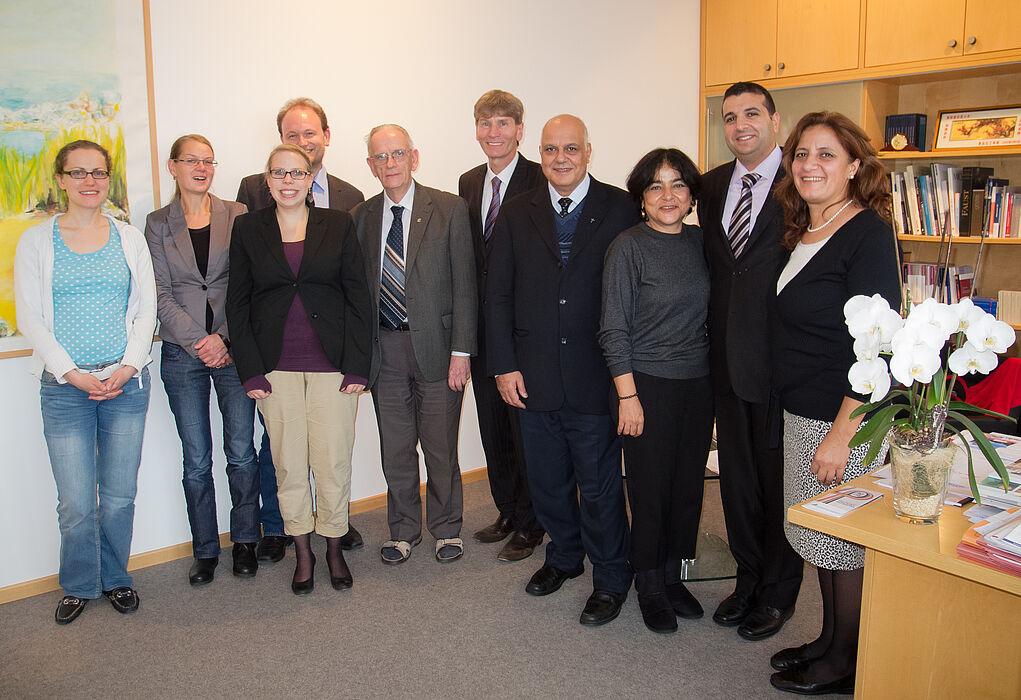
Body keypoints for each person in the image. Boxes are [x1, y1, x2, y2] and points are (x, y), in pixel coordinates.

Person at [486, 114, 638, 626]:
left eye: (571, 148)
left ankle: (611, 576)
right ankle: (565, 557)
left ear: (588, 151)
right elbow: (498, 294)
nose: (561, 158)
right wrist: (504, 365)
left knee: (599, 487)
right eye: (551, 149)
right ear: (540, 154)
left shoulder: (620, 207)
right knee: (548, 483)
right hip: (534, 376)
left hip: (597, 375)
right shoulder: (516, 211)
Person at [769, 112, 900, 695]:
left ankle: (846, 663)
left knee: (844, 540)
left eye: (827, 154)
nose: (810, 165)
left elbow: (876, 348)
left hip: (843, 418)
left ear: (853, 166)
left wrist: (842, 435)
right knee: (823, 536)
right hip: (806, 410)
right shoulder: (805, 230)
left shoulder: (867, 232)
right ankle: (830, 640)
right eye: (802, 154)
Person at [14, 139, 156, 625]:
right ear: (61, 179)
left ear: (108, 179)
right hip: (64, 390)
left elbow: (146, 310)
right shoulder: (37, 240)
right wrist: (70, 373)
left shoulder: (129, 238)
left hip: (124, 387)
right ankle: (78, 584)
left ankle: (115, 578)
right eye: (78, 172)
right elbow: (30, 317)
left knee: (119, 495)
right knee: (75, 501)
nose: (89, 181)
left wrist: (128, 367)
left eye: (98, 172)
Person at [226, 144, 373, 595]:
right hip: (275, 370)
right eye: (279, 173)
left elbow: (358, 296)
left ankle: (333, 548)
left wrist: (358, 366)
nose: (288, 181)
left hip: (333, 368)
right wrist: (250, 371)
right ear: (267, 180)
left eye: (297, 173)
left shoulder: (338, 224)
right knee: (288, 466)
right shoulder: (248, 228)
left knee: (333, 463)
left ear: (310, 179)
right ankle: (303, 552)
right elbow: (238, 303)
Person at [696, 81, 804, 640]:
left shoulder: (803, 179)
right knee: (737, 484)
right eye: (730, 116)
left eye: (752, 114)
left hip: (781, 364)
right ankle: (747, 580)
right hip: (724, 363)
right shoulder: (712, 185)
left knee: (779, 484)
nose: (741, 126)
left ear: (775, 121)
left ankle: (779, 592)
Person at [598, 148, 714, 634]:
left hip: (697, 383)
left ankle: (672, 575)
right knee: (650, 491)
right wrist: (628, 397)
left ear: (691, 196)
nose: (668, 196)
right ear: (641, 198)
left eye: (678, 185)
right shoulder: (628, 247)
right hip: (644, 385)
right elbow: (613, 329)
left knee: (687, 489)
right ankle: (647, 582)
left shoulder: (703, 243)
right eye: (655, 186)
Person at [353, 124, 476, 566]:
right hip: (385, 351)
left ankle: (446, 529)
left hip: (439, 351)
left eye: (397, 153)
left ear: (414, 157)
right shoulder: (361, 217)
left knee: (440, 447)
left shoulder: (449, 208)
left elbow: (465, 284)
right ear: (370, 165)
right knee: (397, 448)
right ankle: (403, 530)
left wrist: (462, 352)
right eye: (380, 157)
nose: (390, 163)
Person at [144, 134, 260, 586]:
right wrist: (201, 341)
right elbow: (160, 294)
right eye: (191, 160)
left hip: (233, 350)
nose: (201, 168)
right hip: (181, 353)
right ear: (172, 166)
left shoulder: (238, 214)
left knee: (242, 453)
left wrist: (224, 339)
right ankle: (206, 549)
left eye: (208, 161)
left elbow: (248, 284)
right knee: (196, 460)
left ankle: (245, 540)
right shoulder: (157, 223)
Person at [457, 90, 545, 562]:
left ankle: (533, 523)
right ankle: (507, 510)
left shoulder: (540, 177)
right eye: (486, 123)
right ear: (476, 130)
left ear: (519, 130)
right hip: (482, 330)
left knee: (525, 431)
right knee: (493, 429)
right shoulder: (469, 182)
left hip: (523, 330)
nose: (494, 132)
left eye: (503, 123)